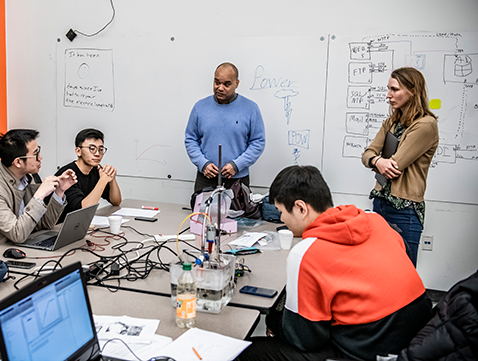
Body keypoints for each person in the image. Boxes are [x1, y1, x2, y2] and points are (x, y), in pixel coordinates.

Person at [237, 165, 432, 361]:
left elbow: (305, 339)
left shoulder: (305, 253)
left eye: (280, 211)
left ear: (300, 208)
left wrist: (274, 319)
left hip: (370, 348)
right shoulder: (376, 220)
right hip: (420, 334)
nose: (281, 219)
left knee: (249, 351)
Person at [362, 67, 439, 266]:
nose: (388, 95)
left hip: (405, 209)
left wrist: (378, 161)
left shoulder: (425, 125)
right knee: (378, 266)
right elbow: (367, 154)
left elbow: (395, 165)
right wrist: (377, 161)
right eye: (388, 89)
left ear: (413, 91)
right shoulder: (392, 122)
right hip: (380, 203)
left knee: (402, 271)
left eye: (394, 89)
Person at [0, 129, 77, 250]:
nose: (40, 157)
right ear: (18, 162)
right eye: (35, 154)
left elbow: (45, 224)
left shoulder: (26, 178)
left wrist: (59, 191)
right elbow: (17, 234)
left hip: (17, 247)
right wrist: (39, 195)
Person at [185, 62, 265, 192]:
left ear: (236, 84)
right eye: (217, 82)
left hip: (237, 178)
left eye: (226, 84)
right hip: (206, 177)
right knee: (203, 212)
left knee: (239, 213)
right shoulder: (199, 107)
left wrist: (237, 165)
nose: (220, 88)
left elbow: (258, 142)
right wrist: (202, 163)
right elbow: (191, 139)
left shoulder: (251, 108)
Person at [54, 128, 121, 223]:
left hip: (80, 224)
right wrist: (103, 180)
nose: (97, 154)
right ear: (78, 151)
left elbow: (116, 202)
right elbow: (82, 209)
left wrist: (112, 178)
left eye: (101, 149)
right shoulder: (68, 174)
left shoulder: (96, 170)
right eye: (92, 149)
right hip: (59, 227)